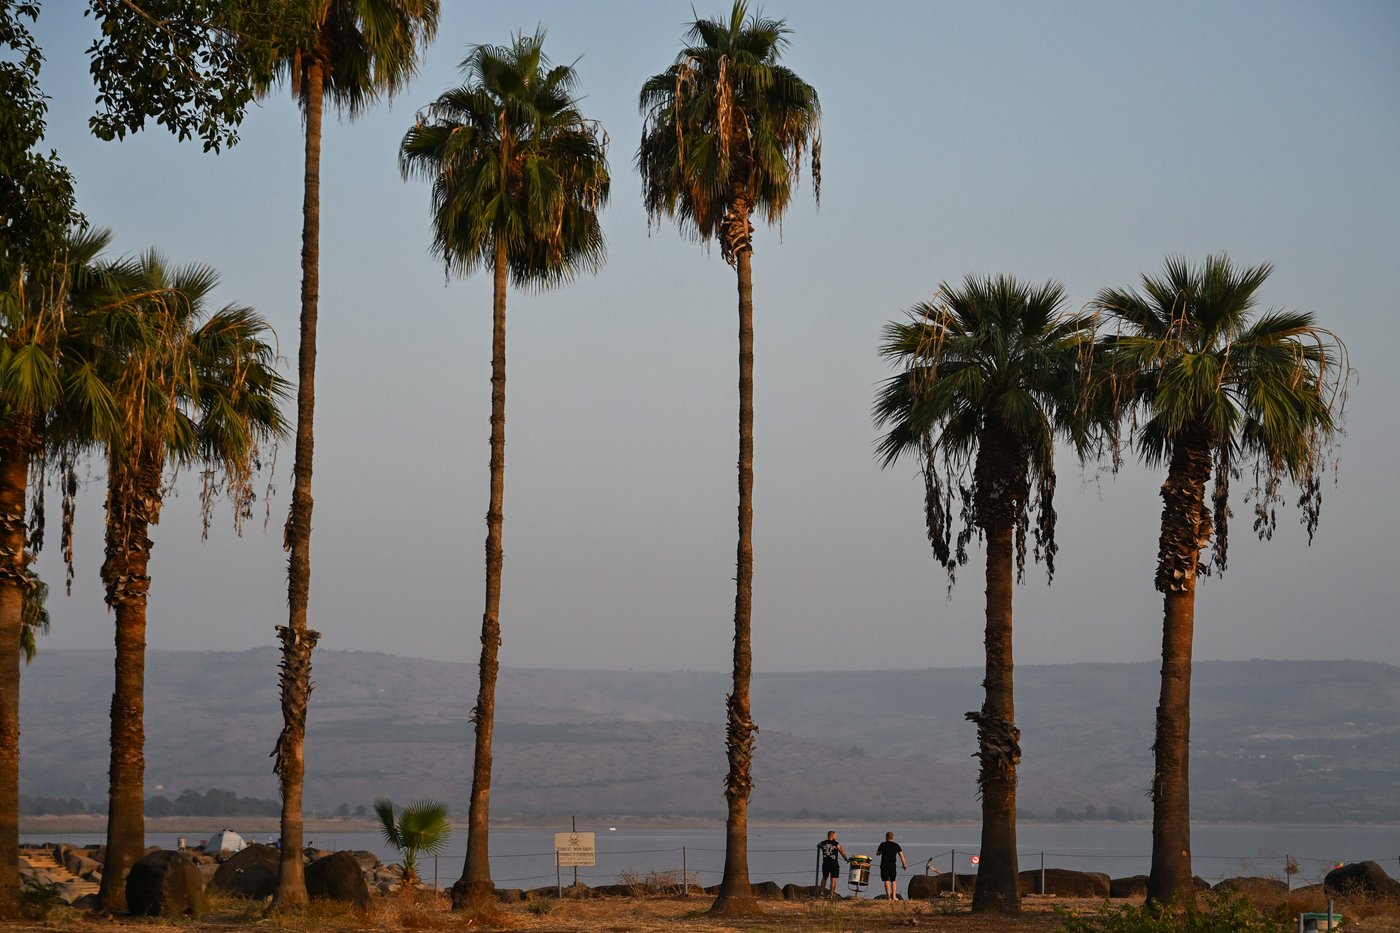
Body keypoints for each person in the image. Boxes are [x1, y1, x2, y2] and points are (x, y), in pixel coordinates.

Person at [875, 831, 907, 900]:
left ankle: (888, 897)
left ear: (886, 837)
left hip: (884, 865)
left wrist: (881, 852)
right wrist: (904, 864)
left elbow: (877, 853)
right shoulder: (896, 845)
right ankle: (894, 896)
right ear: (892, 837)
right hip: (893, 865)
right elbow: (901, 856)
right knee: (893, 880)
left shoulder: (882, 844)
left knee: (886, 880)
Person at [816, 830, 848, 897]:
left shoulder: (823, 843)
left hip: (825, 864)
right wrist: (846, 858)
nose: (836, 836)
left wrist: (823, 848)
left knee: (824, 878)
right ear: (833, 836)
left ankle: (821, 893)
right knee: (833, 879)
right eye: (835, 835)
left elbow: (818, 845)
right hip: (834, 864)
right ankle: (831, 894)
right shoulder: (836, 844)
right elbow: (842, 852)